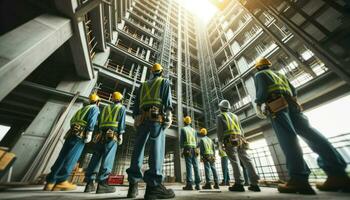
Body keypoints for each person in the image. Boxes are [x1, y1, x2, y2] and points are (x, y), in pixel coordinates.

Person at [253, 57, 350, 194]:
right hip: (293, 104)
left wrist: (258, 103)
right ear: (269, 65)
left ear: (258, 67)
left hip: (277, 106)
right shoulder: (279, 74)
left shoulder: (260, 74)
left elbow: (262, 92)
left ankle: (298, 179)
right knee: (311, 134)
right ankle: (337, 173)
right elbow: (293, 90)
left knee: (288, 138)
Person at [126, 63, 174, 199]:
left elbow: (136, 105)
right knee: (156, 148)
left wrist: (136, 118)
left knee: (138, 149)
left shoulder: (143, 85)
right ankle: (153, 186)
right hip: (156, 118)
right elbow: (167, 101)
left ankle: (132, 186)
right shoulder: (164, 81)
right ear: (161, 72)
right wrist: (169, 116)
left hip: (142, 119)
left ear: (152, 72)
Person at [43, 93, 100, 191]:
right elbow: (92, 121)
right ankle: (61, 181)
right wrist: (89, 133)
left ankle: (50, 181)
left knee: (62, 157)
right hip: (80, 135)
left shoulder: (82, 109)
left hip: (71, 134)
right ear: (98, 102)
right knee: (71, 158)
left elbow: (72, 120)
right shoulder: (95, 108)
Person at [84, 91, 126, 194]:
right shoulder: (121, 108)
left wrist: (97, 133)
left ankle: (89, 183)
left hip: (101, 135)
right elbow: (121, 121)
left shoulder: (105, 107)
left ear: (113, 99)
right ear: (121, 99)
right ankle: (103, 184)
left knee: (95, 157)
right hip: (112, 135)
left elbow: (99, 122)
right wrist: (120, 134)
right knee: (108, 158)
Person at [216, 100, 260, 192]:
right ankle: (255, 184)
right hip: (240, 139)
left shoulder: (220, 116)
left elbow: (220, 132)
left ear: (220, 107)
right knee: (247, 160)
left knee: (234, 161)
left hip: (230, 141)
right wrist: (244, 139)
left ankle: (239, 184)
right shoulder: (235, 116)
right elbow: (241, 129)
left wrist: (220, 144)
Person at [180, 116, 201, 190]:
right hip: (194, 149)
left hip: (187, 149)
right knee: (196, 166)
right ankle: (198, 185)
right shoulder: (194, 130)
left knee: (189, 166)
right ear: (190, 122)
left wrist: (182, 151)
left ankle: (189, 184)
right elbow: (197, 142)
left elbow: (182, 142)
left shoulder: (183, 129)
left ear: (184, 122)